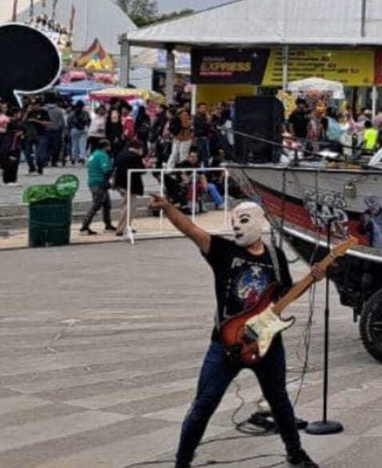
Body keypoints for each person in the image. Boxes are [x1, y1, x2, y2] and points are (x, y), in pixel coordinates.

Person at [148, 196, 321, 468]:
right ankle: (182, 461)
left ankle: (295, 453)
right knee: (204, 404)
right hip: (227, 343)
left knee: (279, 402)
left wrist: (311, 279)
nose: (237, 227)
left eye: (243, 220)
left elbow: (284, 295)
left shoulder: (275, 256)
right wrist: (169, 208)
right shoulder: (223, 251)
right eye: (233, 222)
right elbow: (192, 230)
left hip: (267, 343)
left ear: (259, 221)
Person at [79, 140, 115, 236]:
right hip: (99, 183)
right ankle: (84, 226)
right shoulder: (103, 156)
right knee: (96, 204)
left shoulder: (93, 155)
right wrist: (109, 181)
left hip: (93, 181)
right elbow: (107, 170)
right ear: (106, 147)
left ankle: (108, 224)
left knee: (107, 204)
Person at [111, 139, 145, 237]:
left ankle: (125, 226)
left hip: (121, 184)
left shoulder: (121, 154)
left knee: (125, 205)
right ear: (138, 148)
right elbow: (141, 170)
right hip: (131, 185)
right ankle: (122, 228)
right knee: (129, 207)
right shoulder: (135, 156)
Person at [0, 106, 26, 184]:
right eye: (19, 113)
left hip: (4, 145)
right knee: (13, 162)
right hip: (11, 145)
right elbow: (23, 129)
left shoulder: (1, 122)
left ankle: (7, 179)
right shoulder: (11, 123)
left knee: (9, 162)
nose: (20, 115)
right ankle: (11, 180)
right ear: (15, 114)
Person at [68, 100, 90, 165]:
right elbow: (89, 120)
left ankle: (74, 157)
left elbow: (68, 121)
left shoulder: (72, 113)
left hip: (74, 129)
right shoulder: (85, 113)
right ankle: (82, 157)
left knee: (74, 144)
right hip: (84, 129)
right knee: (83, 144)